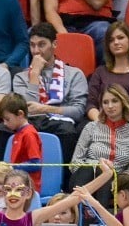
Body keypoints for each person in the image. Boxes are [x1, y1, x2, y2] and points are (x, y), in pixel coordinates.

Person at [6, 22, 88, 165]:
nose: (36, 51)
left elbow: (78, 111)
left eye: (41, 44)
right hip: (29, 121)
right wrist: (35, 74)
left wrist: (45, 109)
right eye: (32, 45)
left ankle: (64, 181)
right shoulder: (20, 77)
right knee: (0, 130)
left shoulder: (74, 74)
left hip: (59, 121)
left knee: (67, 131)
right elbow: (27, 110)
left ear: (54, 44)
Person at [69, 84, 129, 208]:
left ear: (123, 102)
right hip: (87, 177)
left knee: (108, 173)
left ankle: (99, 218)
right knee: (92, 169)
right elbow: (75, 162)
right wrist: (96, 172)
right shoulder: (91, 127)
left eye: (114, 101)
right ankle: (82, 214)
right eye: (105, 102)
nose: (110, 106)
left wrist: (111, 174)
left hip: (116, 182)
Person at [85, 22, 129, 127]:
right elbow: (91, 104)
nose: (116, 42)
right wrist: (101, 122)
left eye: (120, 38)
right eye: (111, 40)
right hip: (100, 124)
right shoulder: (100, 72)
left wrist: (116, 121)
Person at [0, 93, 43, 193]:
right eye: (3, 120)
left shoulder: (29, 134)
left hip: (28, 188)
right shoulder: (18, 133)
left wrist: (12, 167)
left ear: (20, 114)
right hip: (17, 185)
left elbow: (36, 164)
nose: (5, 123)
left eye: (7, 119)